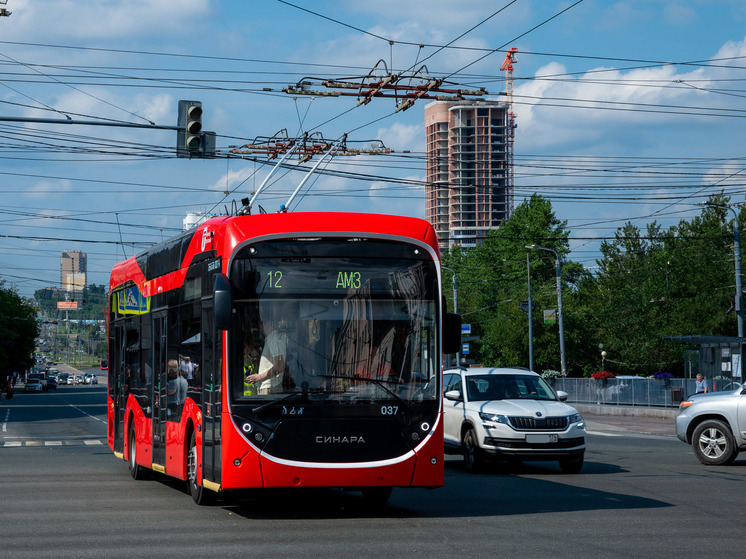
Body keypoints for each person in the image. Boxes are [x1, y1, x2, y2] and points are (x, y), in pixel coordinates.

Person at [246, 316, 289, 394]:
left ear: (268, 323)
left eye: (261, 323)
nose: (259, 326)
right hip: (271, 385)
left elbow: (280, 366)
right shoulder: (275, 338)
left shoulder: (273, 339)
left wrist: (259, 377)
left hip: (269, 387)